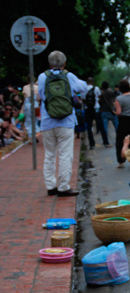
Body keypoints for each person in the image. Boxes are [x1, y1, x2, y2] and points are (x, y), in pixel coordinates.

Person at [38, 50, 90, 197]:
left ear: (49, 64)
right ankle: (63, 187)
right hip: (66, 121)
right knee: (65, 154)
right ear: (64, 63)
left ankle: (50, 186)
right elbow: (83, 87)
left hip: (47, 121)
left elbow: (41, 95)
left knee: (49, 155)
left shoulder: (42, 77)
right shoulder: (68, 76)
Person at [114, 79, 130, 168]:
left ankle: (121, 161)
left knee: (120, 141)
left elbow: (119, 112)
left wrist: (114, 112)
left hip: (123, 121)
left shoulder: (119, 99)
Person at [83, 77, 110, 149]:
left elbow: (82, 99)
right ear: (92, 82)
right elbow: (99, 97)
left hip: (87, 110)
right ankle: (106, 142)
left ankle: (92, 144)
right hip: (96, 109)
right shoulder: (96, 88)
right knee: (101, 126)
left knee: (89, 127)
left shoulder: (83, 89)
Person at [22, 77, 40, 143]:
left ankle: (31, 137)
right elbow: (38, 98)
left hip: (27, 104)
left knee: (28, 121)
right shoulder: (37, 87)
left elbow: (25, 97)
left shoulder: (25, 87)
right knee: (36, 120)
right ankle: (35, 134)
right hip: (35, 104)